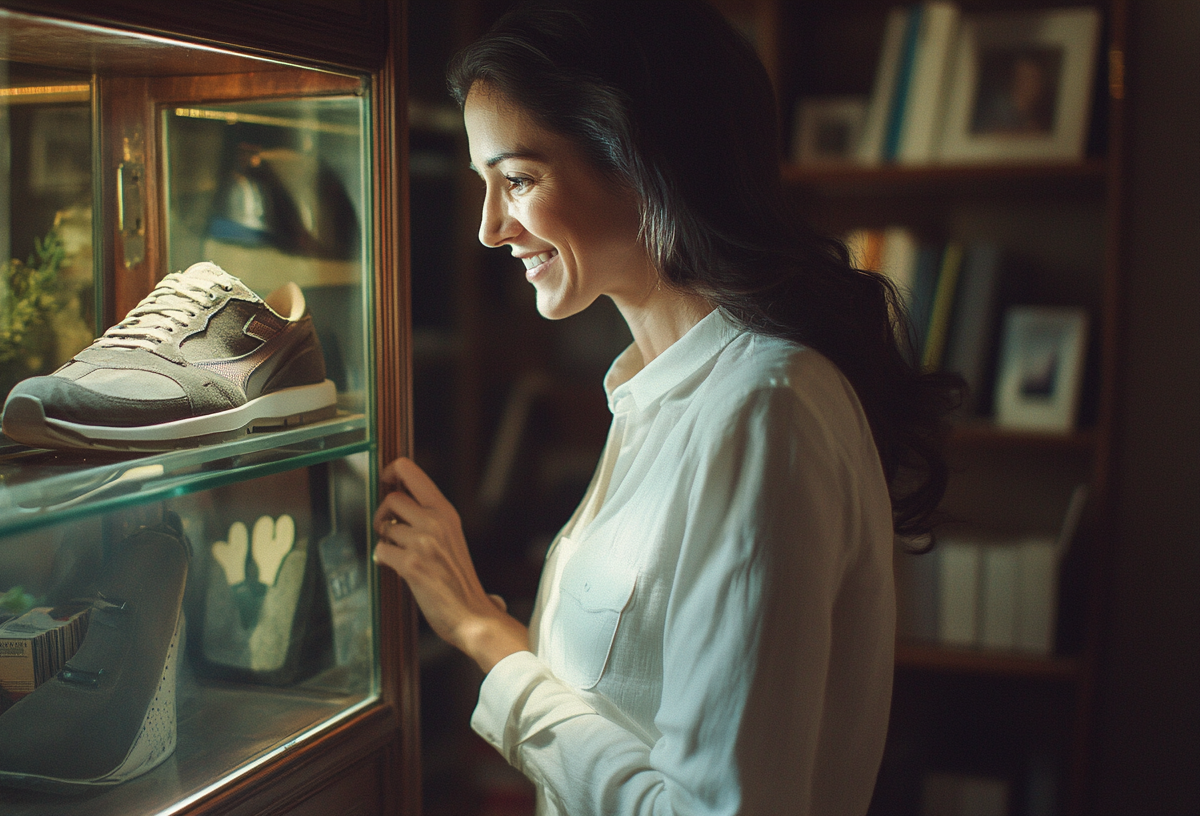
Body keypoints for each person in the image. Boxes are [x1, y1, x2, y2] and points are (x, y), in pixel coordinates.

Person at [372, 1, 959, 813]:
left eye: (518, 180)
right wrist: (476, 611)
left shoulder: (763, 411)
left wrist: (486, 643)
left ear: (643, 160)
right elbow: (627, 706)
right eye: (485, 185)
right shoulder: (656, 396)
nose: (490, 228)